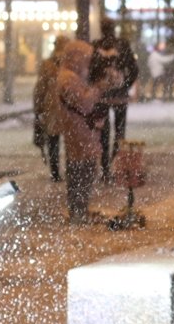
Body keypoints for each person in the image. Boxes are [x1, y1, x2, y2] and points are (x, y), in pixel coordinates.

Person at [53, 40, 123, 223]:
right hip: (78, 132)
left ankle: (80, 209)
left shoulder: (72, 76)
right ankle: (78, 211)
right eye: (84, 58)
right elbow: (84, 103)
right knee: (80, 172)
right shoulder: (68, 78)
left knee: (85, 171)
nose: (87, 62)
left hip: (83, 132)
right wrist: (98, 88)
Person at [92, 19, 140, 182]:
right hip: (119, 96)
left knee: (103, 133)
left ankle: (106, 169)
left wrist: (96, 85)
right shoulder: (122, 45)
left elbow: (90, 70)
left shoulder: (95, 46)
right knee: (120, 133)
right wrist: (125, 85)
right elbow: (134, 69)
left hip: (102, 96)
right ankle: (116, 164)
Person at [33, 35, 69, 182]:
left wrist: (38, 106)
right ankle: (71, 169)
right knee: (70, 141)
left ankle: (55, 172)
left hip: (51, 106)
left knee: (53, 140)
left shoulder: (47, 64)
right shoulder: (70, 64)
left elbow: (40, 88)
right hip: (67, 106)